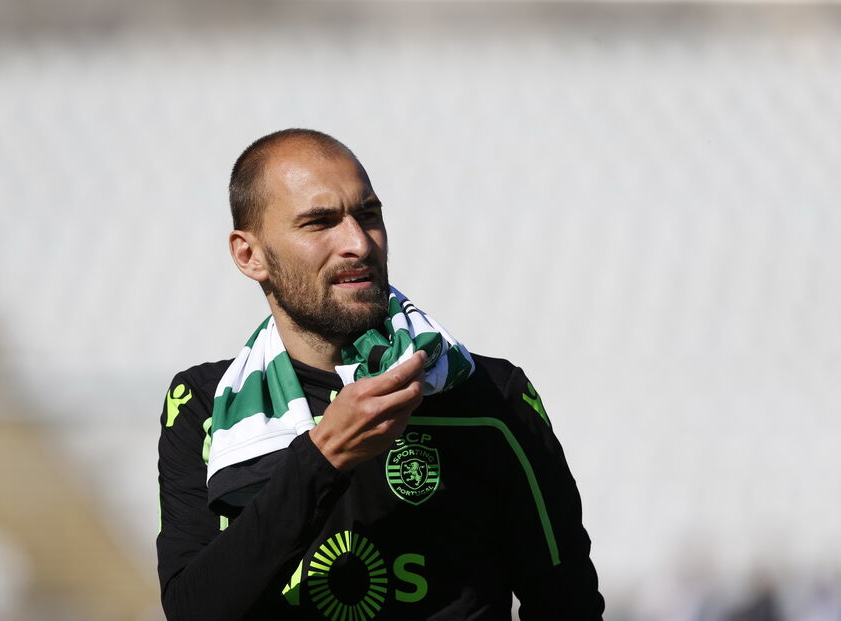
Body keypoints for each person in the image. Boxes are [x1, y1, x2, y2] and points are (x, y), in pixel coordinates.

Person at [156, 128, 605, 620]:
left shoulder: (486, 393)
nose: (357, 243)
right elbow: (190, 611)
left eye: (368, 215)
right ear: (250, 255)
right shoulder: (204, 404)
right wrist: (322, 458)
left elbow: (569, 603)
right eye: (319, 222)